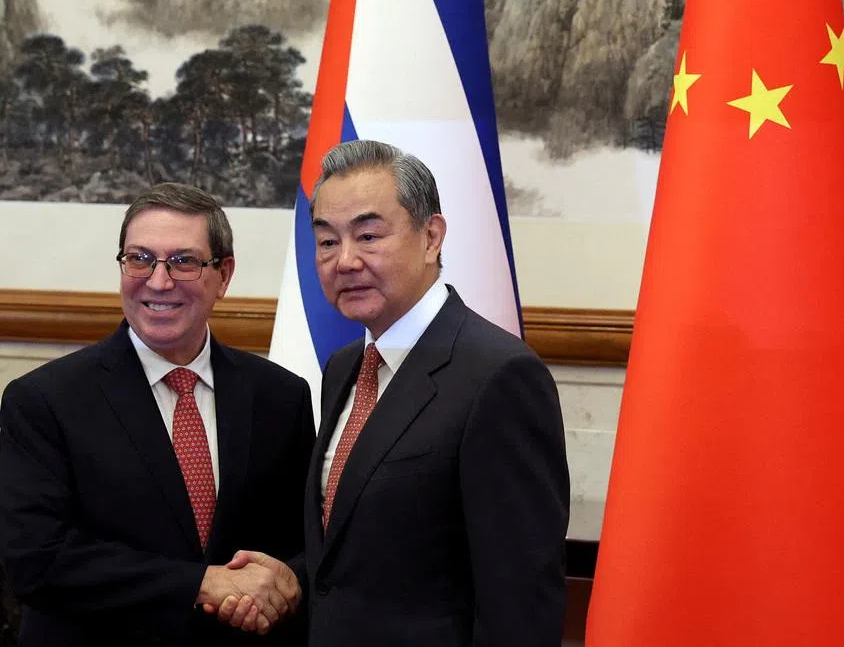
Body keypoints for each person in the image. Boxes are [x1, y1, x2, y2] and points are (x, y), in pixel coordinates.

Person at [227, 139, 570, 645]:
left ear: (431, 237)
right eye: (327, 241)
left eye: (368, 235)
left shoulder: (500, 376)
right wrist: (292, 578)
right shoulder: (345, 367)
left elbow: (520, 600)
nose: (345, 260)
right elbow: (363, 552)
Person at [0, 182, 315, 645]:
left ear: (224, 275)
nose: (159, 281)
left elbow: (306, 540)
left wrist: (285, 582)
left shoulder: (281, 396)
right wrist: (202, 583)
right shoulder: (44, 401)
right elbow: (36, 560)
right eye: (140, 258)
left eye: (184, 261)